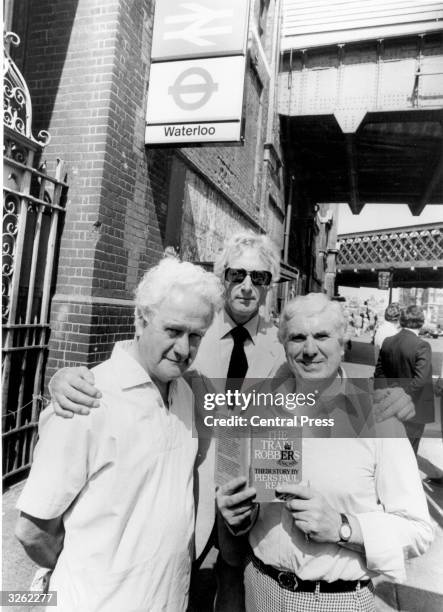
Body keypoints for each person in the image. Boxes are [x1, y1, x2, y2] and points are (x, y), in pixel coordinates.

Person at [47, 233, 417, 610]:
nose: (246, 286)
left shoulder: (286, 345)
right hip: (187, 503)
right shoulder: (193, 332)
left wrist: (396, 397)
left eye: (258, 278)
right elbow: (133, 365)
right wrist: (64, 378)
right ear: (222, 276)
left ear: (270, 286)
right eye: (236, 274)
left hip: (252, 511)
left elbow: (328, 385)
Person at [15, 258, 224, 612]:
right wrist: (86, 575)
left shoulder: (186, 393)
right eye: (173, 331)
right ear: (140, 320)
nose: (184, 349)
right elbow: (32, 530)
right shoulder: (86, 401)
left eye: (196, 336)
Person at [217, 293, 433, 612]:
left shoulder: (377, 418)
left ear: (342, 343)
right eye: (297, 337)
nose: (309, 349)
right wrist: (237, 515)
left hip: (335, 599)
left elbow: (418, 530)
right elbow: (248, 505)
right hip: (259, 589)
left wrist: (343, 527)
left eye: (321, 336)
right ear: (284, 346)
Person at [374, 305, 434, 455]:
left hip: (389, 407)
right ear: (422, 322)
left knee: (391, 452)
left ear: (401, 320)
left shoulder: (388, 341)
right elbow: (420, 381)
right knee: (409, 454)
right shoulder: (422, 345)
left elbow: (379, 374)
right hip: (414, 409)